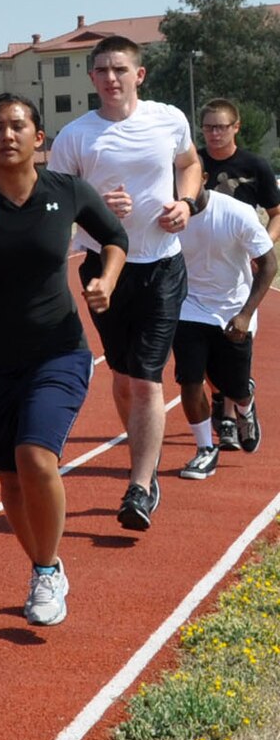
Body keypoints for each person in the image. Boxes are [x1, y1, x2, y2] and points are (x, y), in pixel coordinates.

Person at [0, 95, 127, 626]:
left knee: (36, 457)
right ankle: (49, 563)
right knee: (9, 479)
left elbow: (115, 237)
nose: (8, 135)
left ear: (38, 137)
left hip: (59, 350)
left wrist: (105, 281)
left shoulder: (66, 191)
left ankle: (44, 573)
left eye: (18, 125)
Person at [48, 36, 203, 531]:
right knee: (120, 375)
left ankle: (140, 484)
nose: (110, 78)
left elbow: (189, 164)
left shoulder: (169, 119)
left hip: (161, 265)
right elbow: (56, 202)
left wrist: (187, 203)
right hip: (103, 267)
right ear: (91, 79)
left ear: (140, 75)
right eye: (101, 71)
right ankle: (145, 456)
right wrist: (94, 205)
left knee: (145, 378)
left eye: (120, 69)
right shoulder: (75, 135)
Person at [172, 186, 275, 478]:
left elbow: (269, 264)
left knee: (233, 388)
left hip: (234, 310)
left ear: (202, 178)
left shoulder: (236, 213)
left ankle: (246, 405)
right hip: (189, 308)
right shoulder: (169, 214)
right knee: (190, 381)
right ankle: (205, 450)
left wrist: (245, 314)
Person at [197, 97, 280, 239]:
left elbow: (276, 214)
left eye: (221, 127)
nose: (214, 133)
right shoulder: (191, 165)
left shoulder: (255, 165)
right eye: (208, 127)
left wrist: (264, 245)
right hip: (198, 247)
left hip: (241, 247)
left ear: (236, 127)